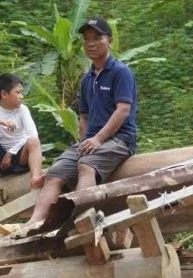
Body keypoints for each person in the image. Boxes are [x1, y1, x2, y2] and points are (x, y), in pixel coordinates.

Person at [28, 16, 138, 224]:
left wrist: (97, 139)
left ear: (110, 41)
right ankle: (33, 224)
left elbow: (123, 110)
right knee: (55, 172)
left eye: (97, 38)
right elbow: (84, 116)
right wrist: (84, 140)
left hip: (119, 139)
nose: (91, 43)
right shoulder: (87, 79)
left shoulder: (121, 72)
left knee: (86, 165)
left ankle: (80, 221)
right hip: (93, 140)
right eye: (87, 39)